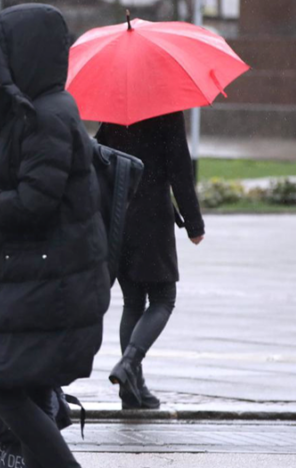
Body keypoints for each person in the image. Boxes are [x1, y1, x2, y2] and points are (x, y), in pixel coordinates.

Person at [0, 4, 110, 468]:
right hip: (37, 280)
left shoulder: (49, 117)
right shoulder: (36, 111)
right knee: (29, 393)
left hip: (46, 284)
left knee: (1, 386)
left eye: (0, 53)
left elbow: (34, 205)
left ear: (25, 53)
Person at [97, 112, 205, 409]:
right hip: (153, 218)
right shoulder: (166, 111)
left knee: (133, 302)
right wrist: (194, 224)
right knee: (163, 298)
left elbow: (100, 155)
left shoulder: (115, 109)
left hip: (120, 216)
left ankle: (133, 391)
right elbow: (180, 169)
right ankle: (129, 364)